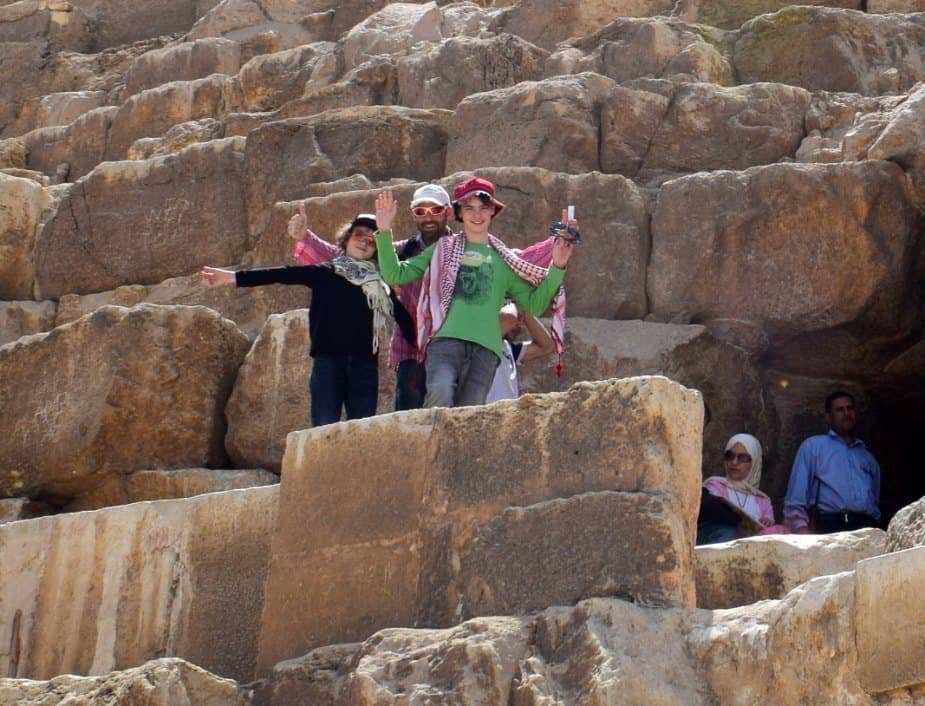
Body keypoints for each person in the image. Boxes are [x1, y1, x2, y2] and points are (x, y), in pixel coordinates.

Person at [373, 176, 576, 408]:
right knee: (440, 392)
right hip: (446, 342)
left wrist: (557, 266)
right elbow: (396, 275)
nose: (477, 214)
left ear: (492, 211)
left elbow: (534, 305)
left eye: (483, 207)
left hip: (486, 350)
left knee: (469, 412)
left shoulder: (504, 260)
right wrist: (384, 230)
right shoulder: (443, 249)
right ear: (459, 213)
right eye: (469, 208)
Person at [201, 214, 414, 427]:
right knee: (323, 427)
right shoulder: (324, 272)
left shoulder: (379, 284)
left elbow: (402, 317)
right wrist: (231, 277)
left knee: (362, 429)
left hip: (364, 367)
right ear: (347, 239)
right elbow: (280, 274)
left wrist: (422, 349)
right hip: (328, 362)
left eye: (372, 241)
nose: (364, 242)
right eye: (359, 235)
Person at [287, 185, 454, 411]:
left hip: (455, 345)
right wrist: (305, 237)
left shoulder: (463, 249)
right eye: (420, 211)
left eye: (436, 210)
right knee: (409, 414)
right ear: (413, 214)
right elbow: (350, 261)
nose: (428, 217)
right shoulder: (403, 251)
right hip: (412, 349)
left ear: (448, 212)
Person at [783, 391, 881, 533]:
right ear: (829, 417)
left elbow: (875, 500)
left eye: (850, 408)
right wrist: (801, 531)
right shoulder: (813, 447)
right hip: (830, 527)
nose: (846, 413)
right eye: (840, 410)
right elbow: (796, 496)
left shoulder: (868, 457)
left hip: (868, 528)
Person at [697, 433, 789, 544]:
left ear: (754, 463)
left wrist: (767, 522)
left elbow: (766, 530)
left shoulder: (763, 501)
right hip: (716, 541)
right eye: (729, 456)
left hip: (751, 547)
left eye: (743, 458)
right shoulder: (715, 486)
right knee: (728, 531)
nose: (734, 462)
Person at [484, 302, 555, 404]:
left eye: (521, 320)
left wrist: (526, 314)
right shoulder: (481, 340)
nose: (520, 325)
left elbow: (546, 346)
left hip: (508, 411)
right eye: (517, 318)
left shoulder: (509, 348)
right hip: (484, 411)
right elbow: (508, 318)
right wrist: (514, 302)